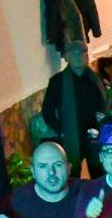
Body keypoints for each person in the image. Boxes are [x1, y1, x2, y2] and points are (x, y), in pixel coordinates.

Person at [40, 41, 107, 176]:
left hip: (96, 132)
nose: (79, 56)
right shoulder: (57, 82)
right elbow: (47, 111)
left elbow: (106, 103)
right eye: (74, 53)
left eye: (82, 53)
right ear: (67, 57)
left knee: (99, 170)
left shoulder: (96, 79)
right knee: (73, 173)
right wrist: (61, 130)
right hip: (72, 134)